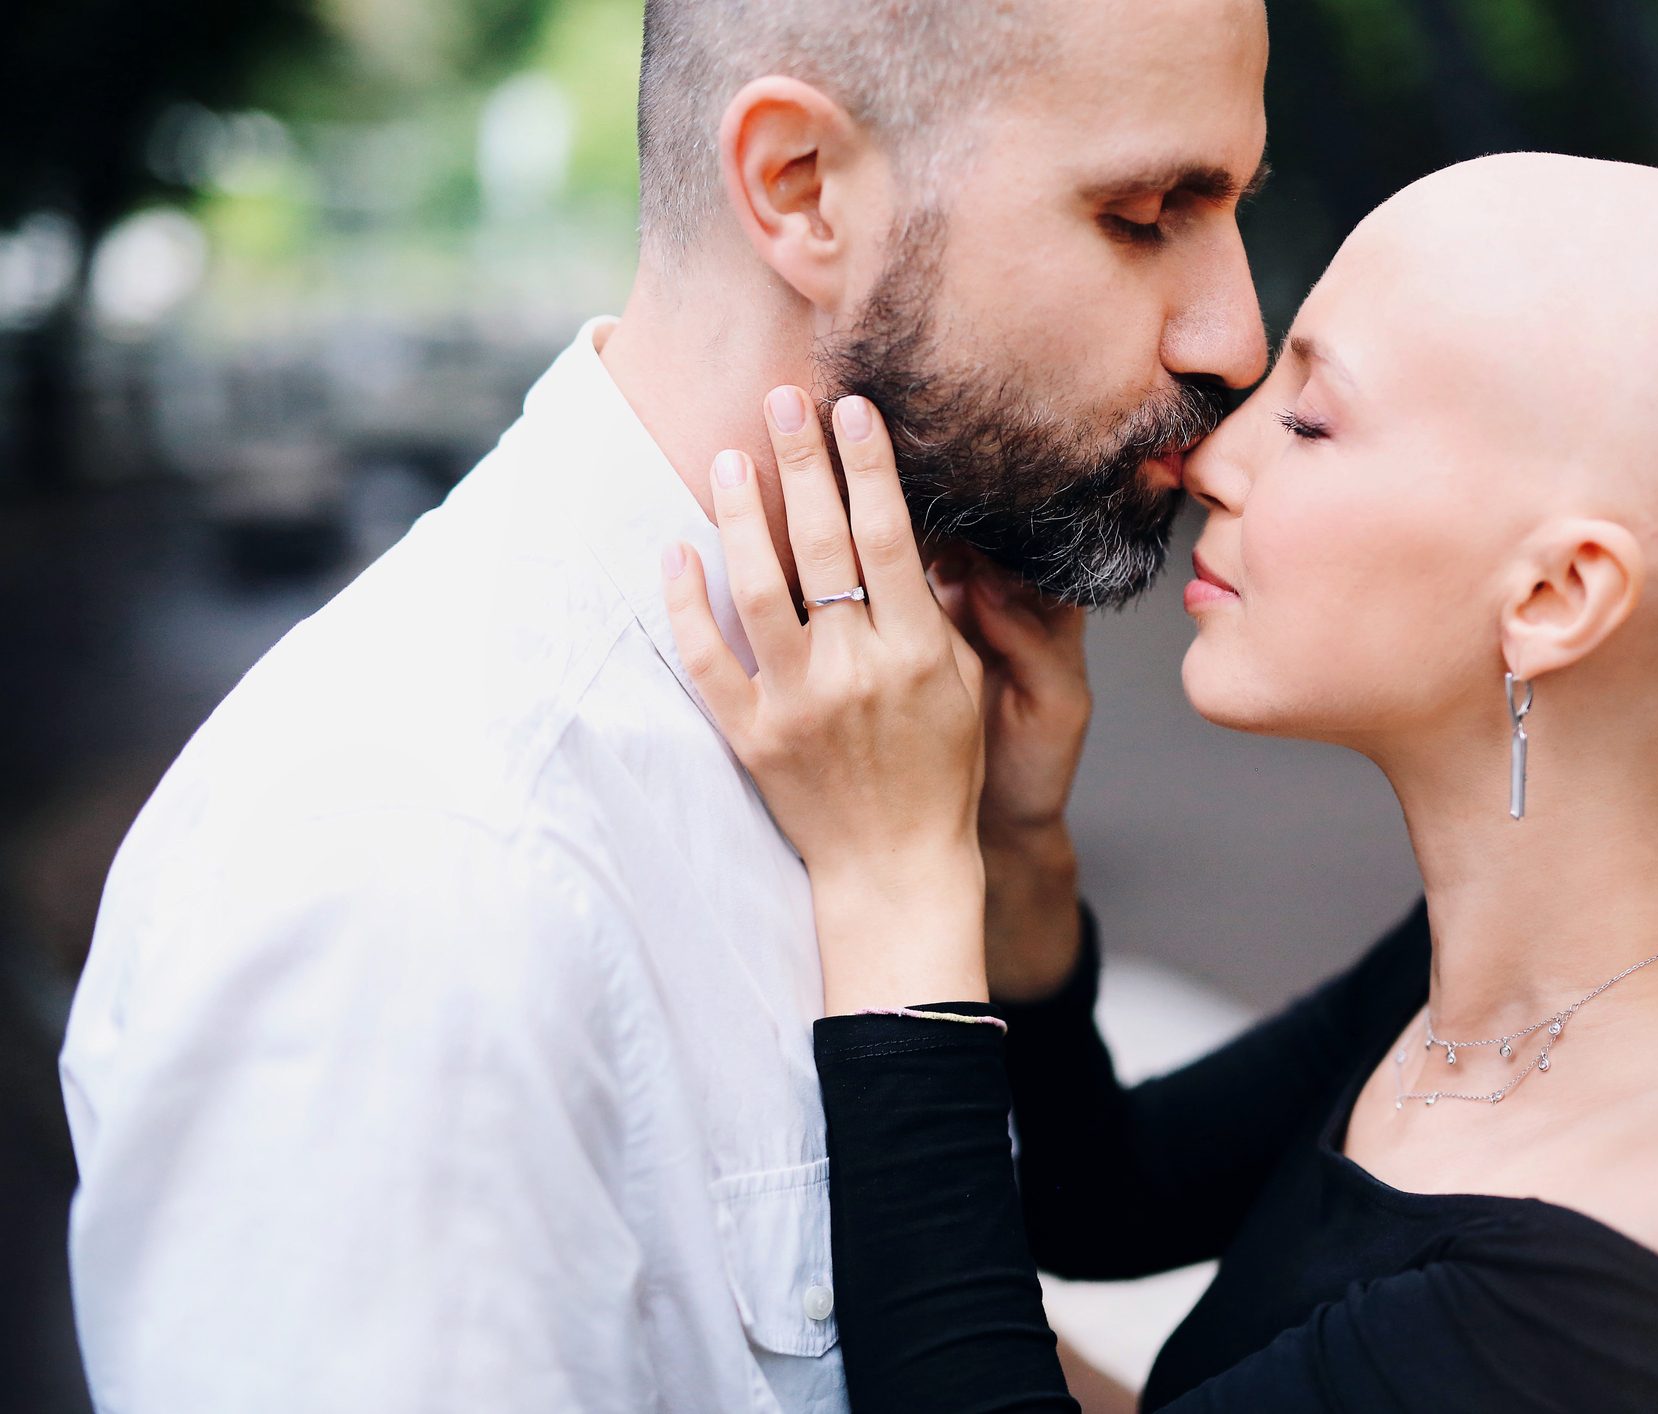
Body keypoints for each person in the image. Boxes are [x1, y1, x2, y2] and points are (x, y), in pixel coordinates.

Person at [58, 1, 1267, 1408]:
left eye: (1236, 199)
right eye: (1145, 213)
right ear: (800, 189)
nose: (1234, 334)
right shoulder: (425, 869)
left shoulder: (892, 703)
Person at [660, 152, 1658, 1411]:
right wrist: (1016, 845)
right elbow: (1105, 1197)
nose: (1214, 457)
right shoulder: (1508, 973)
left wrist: (897, 873)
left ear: (1555, 596)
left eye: (1313, 420)